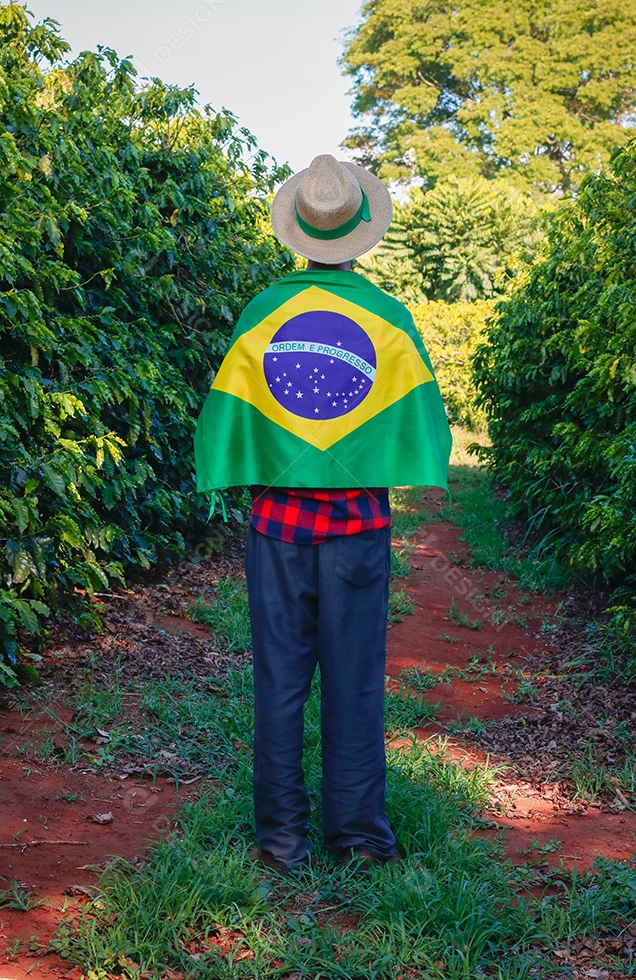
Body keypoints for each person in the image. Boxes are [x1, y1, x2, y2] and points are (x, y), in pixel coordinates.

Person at [194, 154, 452, 876]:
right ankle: (361, 839)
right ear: (359, 232)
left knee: (279, 682)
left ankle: (280, 841)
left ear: (298, 231)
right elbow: (419, 421)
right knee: (356, 682)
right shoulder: (387, 318)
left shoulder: (263, 314)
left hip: (277, 531)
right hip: (359, 534)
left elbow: (228, 417)